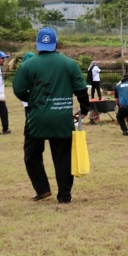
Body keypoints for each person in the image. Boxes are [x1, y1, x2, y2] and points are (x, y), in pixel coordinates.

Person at [13, 27, 89, 203]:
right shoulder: (69, 63)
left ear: (37, 45)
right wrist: (84, 109)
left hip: (36, 119)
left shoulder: (28, 65)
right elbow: (81, 90)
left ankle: (42, 189)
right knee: (62, 158)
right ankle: (64, 196)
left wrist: (31, 99)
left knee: (31, 156)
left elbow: (18, 90)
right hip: (62, 119)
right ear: (57, 43)